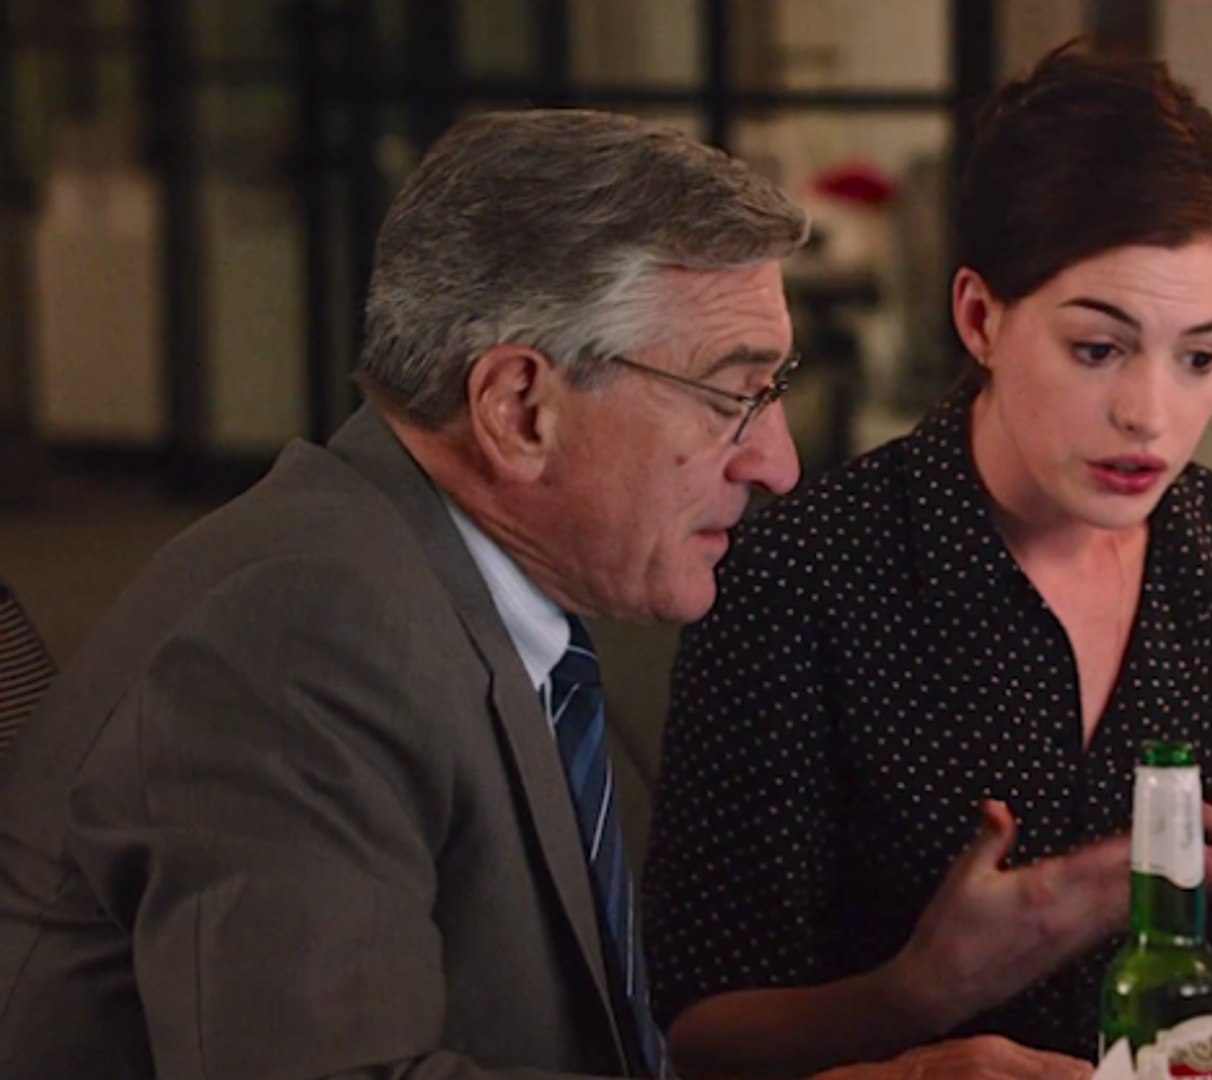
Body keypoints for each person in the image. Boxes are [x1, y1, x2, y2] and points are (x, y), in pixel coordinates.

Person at [0, 109, 1089, 1080]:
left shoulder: (453, 586)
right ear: (520, 407)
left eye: (776, 391)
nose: (778, 464)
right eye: (734, 396)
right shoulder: (299, 635)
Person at [642, 49, 1212, 1077]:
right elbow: (692, 1036)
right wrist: (919, 998)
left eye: (1200, 357)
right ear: (980, 318)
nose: (1150, 414)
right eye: (1098, 349)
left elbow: (1196, 991)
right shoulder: (804, 577)